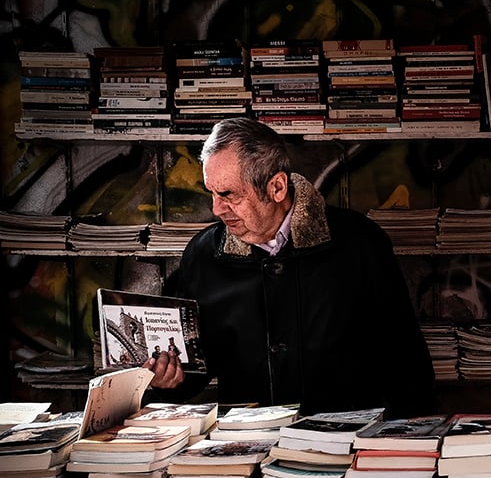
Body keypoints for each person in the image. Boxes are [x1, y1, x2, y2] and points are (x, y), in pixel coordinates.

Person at [146, 117, 435, 418]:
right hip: (246, 446)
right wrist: (171, 380)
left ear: (277, 187)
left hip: (344, 441)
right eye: (212, 193)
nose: (216, 209)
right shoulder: (203, 254)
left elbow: (406, 362)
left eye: (229, 194)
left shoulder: (360, 244)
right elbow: (197, 369)